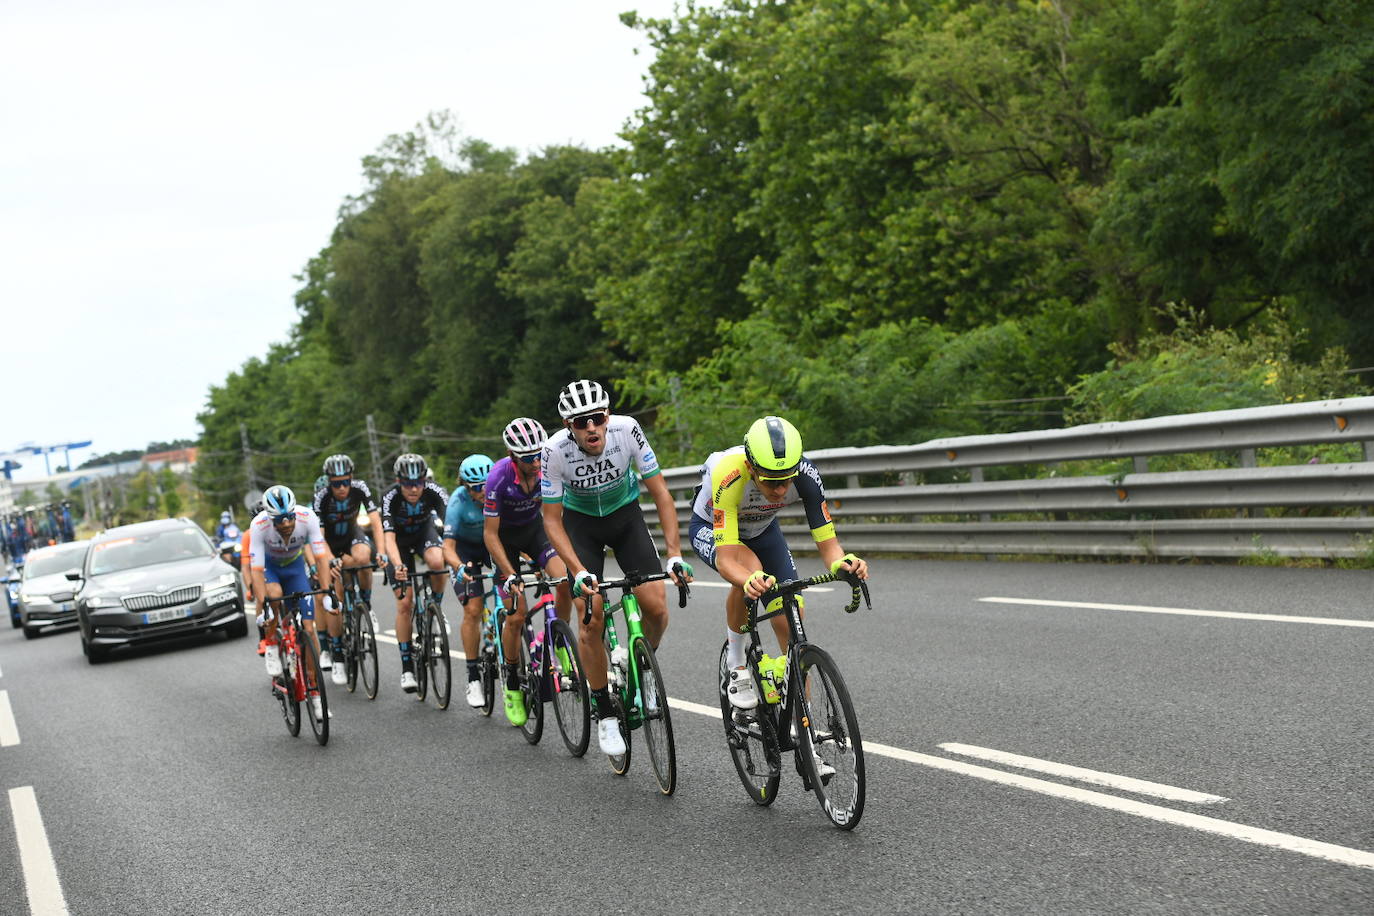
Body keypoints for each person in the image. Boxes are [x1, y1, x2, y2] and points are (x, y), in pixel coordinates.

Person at [540, 379, 691, 756]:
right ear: (567, 427)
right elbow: (552, 520)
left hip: (626, 519)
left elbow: (660, 494)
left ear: (607, 416)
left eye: (597, 418)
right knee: (589, 619)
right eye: (580, 422)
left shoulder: (628, 430)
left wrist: (674, 554)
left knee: (656, 608)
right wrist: (577, 571)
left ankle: (645, 664)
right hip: (580, 525)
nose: (591, 427)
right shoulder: (553, 451)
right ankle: (605, 710)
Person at [688, 416, 868, 710]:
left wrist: (844, 564)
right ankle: (736, 662)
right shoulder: (730, 475)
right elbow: (728, 561)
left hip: (762, 529)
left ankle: (803, 723)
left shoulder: (806, 474)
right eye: (772, 481)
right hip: (714, 530)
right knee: (750, 571)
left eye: (787, 479)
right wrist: (747, 580)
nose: (782, 489)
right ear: (751, 467)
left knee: (790, 617)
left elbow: (830, 546)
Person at [482, 419, 574, 726]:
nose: (536, 463)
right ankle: (511, 682)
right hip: (504, 540)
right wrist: (510, 574)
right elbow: (490, 535)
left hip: (535, 532)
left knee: (564, 581)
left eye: (539, 455)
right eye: (527, 458)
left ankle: (558, 642)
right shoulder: (497, 478)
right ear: (512, 455)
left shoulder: (547, 464)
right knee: (517, 614)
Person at [248, 485, 335, 719]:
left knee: (309, 628)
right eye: (279, 520)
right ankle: (272, 645)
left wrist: (327, 593)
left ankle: (315, 695)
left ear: (295, 512)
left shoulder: (308, 517)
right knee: (274, 595)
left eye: (289, 518)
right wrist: (263, 604)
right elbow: (255, 570)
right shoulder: (259, 525)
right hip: (271, 569)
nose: (286, 524)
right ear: (269, 517)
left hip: (296, 569)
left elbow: (320, 556)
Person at [313, 454, 385, 684]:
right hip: (329, 543)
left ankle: (366, 603)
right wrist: (330, 559)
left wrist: (381, 552)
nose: (342, 488)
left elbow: (375, 522)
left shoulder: (360, 488)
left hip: (352, 535)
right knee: (336, 596)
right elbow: (318, 538)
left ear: (351, 478)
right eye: (336, 483)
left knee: (364, 557)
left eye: (345, 482)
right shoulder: (322, 497)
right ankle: (337, 656)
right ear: (329, 481)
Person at [379, 453, 448, 694]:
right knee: (405, 603)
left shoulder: (435, 491)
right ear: (399, 482)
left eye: (418, 482)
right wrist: (398, 566)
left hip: (423, 534)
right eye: (408, 484)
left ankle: (435, 608)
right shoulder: (389, 497)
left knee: (439, 560)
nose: (413, 488)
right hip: (398, 543)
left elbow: (449, 527)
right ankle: (407, 665)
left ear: (424, 481)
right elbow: (388, 539)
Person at [441, 453, 495, 709]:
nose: (483, 491)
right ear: (465, 486)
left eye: (487, 484)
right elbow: (447, 548)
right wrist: (459, 566)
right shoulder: (457, 502)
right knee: (473, 610)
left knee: (512, 600)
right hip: (464, 552)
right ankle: (473, 676)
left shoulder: (499, 492)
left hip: (491, 544)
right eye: (476, 487)